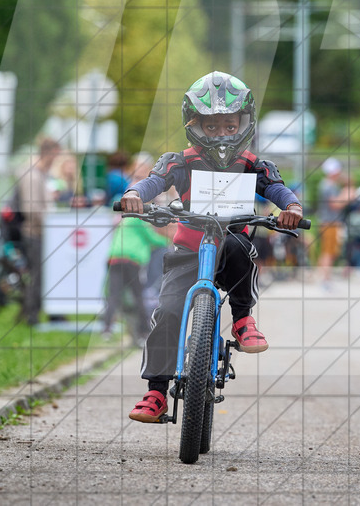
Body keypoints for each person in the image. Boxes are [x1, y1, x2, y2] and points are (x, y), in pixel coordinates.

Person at [118, 71, 304, 423]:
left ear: (244, 123)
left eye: (230, 126)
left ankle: (243, 319)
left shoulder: (251, 164)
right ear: (194, 124)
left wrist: (291, 208)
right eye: (213, 126)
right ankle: (157, 391)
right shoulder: (180, 161)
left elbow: (276, 189)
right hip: (188, 251)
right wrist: (133, 195)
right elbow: (153, 182)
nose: (222, 134)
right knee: (168, 311)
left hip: (231, 243)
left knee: (240, 249)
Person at [101, 208, 170, 343]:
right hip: (132, 260)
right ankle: (143, 332)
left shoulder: (124, 220)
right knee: (138, 296)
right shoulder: (139, 219)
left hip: (115, 258)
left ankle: (107, 329)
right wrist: (168, 243)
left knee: (113, 295)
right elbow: (153, 239)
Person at [16, 137, 62, 325]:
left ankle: (51, 312)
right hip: (35, 232)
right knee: (38, 274)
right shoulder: (32, 175)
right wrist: (51, 222)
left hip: (44, 232)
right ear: (49, 153)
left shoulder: (41, 174)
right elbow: (32, 209)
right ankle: (31, 315)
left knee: (45, 274)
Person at [316, 157, 347, 289]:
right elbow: (334, 204)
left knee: (330, 252)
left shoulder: (329, 185)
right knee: (328, 252)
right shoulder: (327, 185)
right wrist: (347, 196)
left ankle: (322, 276)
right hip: (329, 223)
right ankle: (325, 280)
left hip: (330, 223)